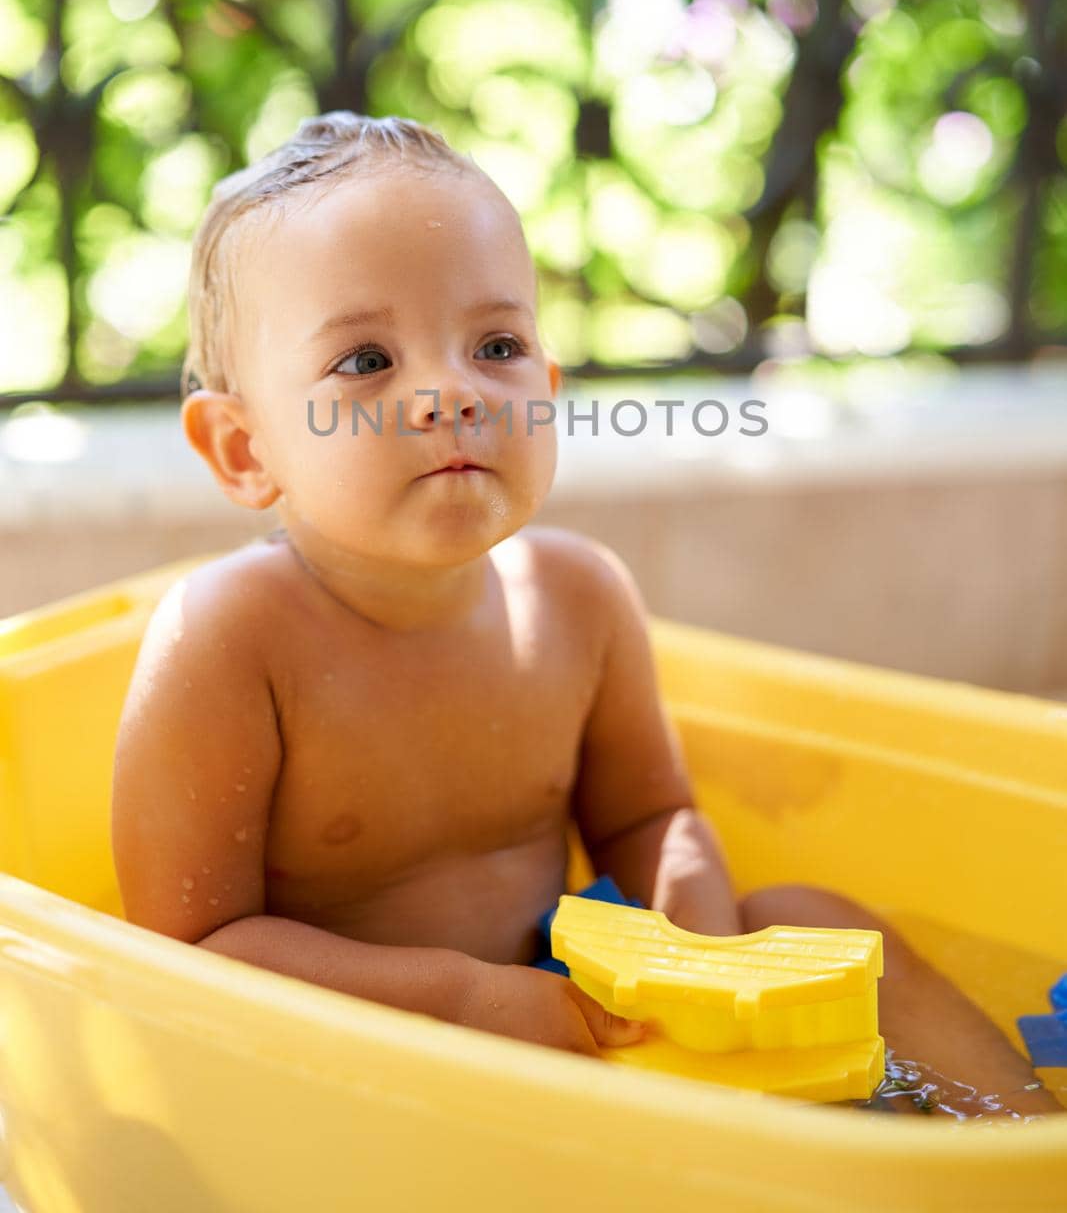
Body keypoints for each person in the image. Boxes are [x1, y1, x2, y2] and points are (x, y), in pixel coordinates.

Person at [111, 112, 1062, 1120]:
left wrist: (685, 937)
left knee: (807, 919)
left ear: (546, 391)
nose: (448, 391)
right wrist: (460, 998)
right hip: (368, 1073)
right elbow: (190, 956)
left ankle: (1017, 1141)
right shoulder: (229, 638)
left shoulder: (575, 597)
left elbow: (647, 817)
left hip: (566, 999)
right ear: (243, 449)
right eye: (364, 362)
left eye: (495, 344)